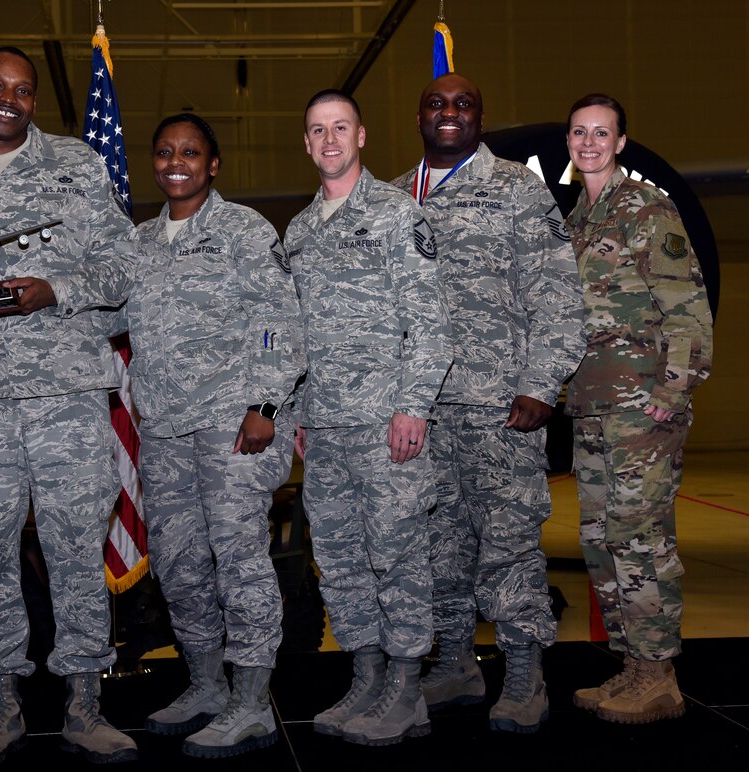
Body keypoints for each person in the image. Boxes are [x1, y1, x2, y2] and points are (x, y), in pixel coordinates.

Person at [0, 46, 136, 766]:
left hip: (67, 394)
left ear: (35, 101)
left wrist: (54, 290)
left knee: (74, 552)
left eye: (24, 90)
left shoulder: (77, 166)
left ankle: (84, 705)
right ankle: (0, 707)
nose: (10, 98)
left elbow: (124, 264)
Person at [391, 72, 585, 733]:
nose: (449, 114)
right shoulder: (393, 198)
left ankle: (525, 675)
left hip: (499, 405)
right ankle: (456, 664)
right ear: (419, 116)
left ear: (481, 117)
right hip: (420, 414)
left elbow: (558, 294)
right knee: (436, 548)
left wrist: (541, 382)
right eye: (436, 104)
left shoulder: (516, 190)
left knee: (508, 546)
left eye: (463, 104)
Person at [122, 113, 305, 758]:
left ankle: (252, 701)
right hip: (166, 430)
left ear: (213, 164)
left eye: (192, 152)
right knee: (179, 565)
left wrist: (264, 404)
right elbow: (104, 312)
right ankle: (206, 684)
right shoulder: (140, 243)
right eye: (166, 151)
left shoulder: (242, 230)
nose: (178, 162)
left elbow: (278, 320)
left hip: (233, 428)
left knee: (240, 562)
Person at [284, 90, 452, 746]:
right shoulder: (299, 231)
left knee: (398, 555)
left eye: (340, 128)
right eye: (317, 130)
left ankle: (407, 689)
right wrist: (294, 411)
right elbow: (293, 336)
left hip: (386, 426)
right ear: (306, 142)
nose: (329, 140)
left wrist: (413, 407)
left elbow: (431, 323)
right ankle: (367, 675)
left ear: (362, 137)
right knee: (343, 558)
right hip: (324, 429)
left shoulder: (394, 212)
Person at [564, 93, 713, 724]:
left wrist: (669, 395)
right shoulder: (579, 219)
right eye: (580, 132)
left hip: (640, 408)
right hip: (595, 406)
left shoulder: (645, 209)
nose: (589, 143)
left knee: (641, 537)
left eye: (602, 133)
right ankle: (631, 667)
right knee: (600, 540)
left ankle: (659, 676)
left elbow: (688, 310)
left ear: (621, 143)